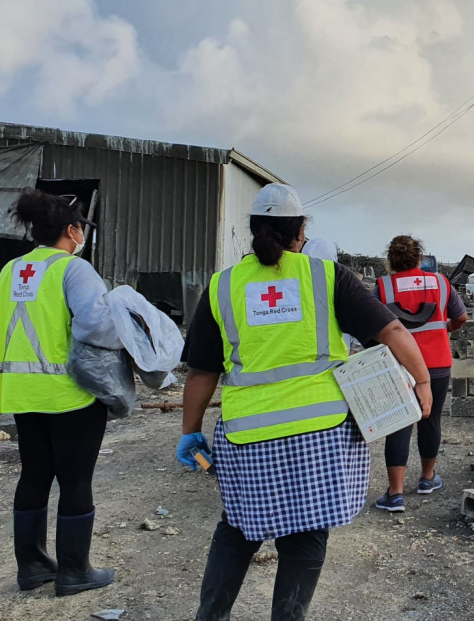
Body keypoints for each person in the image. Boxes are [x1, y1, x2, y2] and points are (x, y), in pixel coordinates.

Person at [177, 183, 432, 621]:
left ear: (254, 231)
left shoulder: (223, 287)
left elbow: (202, 372)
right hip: (321, 433)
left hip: (247, 436)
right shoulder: (325, 275)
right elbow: (391, 331)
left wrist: (190, 432)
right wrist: (422, 379)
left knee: (237, 530)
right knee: (307, 536)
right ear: (301, 232)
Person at [0, 188, 119, 596]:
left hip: (22, 390)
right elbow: (98, 326)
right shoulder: (72, 270)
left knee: (34, 474)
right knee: (76, 481)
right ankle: (75, 571)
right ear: (72, 230)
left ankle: (32, 566)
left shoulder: (12, 270)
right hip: (69, 393)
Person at [372, 235, 468, 512]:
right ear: (419, 258)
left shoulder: (383, 288)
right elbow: (460, 317)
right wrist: (444, 329)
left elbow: (372, 323)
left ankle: (395, 494)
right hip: (437, 363)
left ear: (391, 260)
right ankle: (427, 479)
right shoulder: (440, 283)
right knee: (431, 419)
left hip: (399, 364)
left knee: (399, 423)